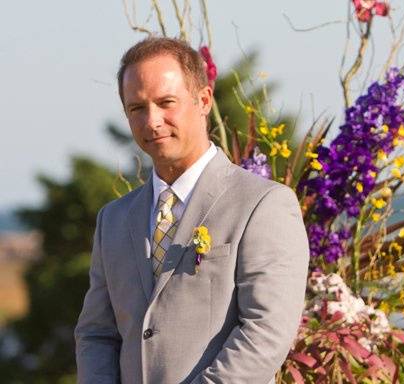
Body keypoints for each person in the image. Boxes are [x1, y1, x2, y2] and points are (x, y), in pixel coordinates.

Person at [74, 37, 310, 384]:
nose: (152, 121)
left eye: (165, 102)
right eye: (137, 108)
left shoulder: (264, 204)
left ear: (203, 100)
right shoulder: (113, 219)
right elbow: (97, 334)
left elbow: (266, 331)